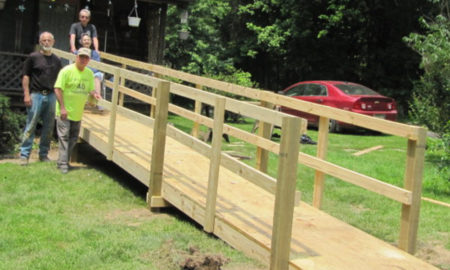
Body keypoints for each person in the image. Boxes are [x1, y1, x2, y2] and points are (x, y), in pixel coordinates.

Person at [54, 47, 101, 174]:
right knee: (64, 137)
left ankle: (62, 161)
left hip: (78, 113)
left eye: (86, 57)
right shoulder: (66, 71)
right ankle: (64, 164)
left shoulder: (89, 74)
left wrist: (94, 94)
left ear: (89, 60)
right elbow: (57, 89)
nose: (83, 59)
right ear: (76, 57)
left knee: (73, 138)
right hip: (64, 112)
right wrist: (62, 108)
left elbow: (90, 89)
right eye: (81, 57)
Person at [19, 31, 62, 166]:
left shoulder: (57, 60)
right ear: (40, 42)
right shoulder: (33, 57)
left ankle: (43, 154)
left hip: (51, 96)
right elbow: (26, 76)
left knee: (49, 127)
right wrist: (26, 94)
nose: (46, 43)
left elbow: (60, 80)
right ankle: (24, 155)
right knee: (31, 125)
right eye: (43, 40)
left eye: (49, 40)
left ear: (53, 42)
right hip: (36, 95)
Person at [75, 34, 104, 111]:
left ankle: (99, 103)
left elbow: (97, 66)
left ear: (91, 42)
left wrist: (89, 71)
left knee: (96, 77)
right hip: (81, 72)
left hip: (93, 73)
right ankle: (79, 102)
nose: (86, 41)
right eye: (84, 40)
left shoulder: (95, 53)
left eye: (88, 40)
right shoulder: (77, 52)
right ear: (81, 42)